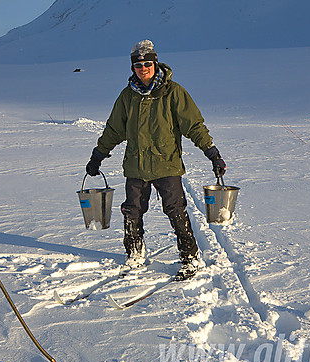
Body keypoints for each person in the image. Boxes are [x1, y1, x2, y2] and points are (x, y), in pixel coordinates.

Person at [85, 40, 227, 280]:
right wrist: (97, 155)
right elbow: (114, 130)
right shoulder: (128, 96)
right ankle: (135, 254)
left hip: (166, 164)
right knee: (132, 211)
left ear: (155, 63)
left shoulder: (173, 92)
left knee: (176, 210)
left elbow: (194, 126)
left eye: (147, 64)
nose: (143, 69)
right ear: (133, 68)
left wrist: (212, 152)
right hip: (136, 165)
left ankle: (190, 257)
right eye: (138, 65)